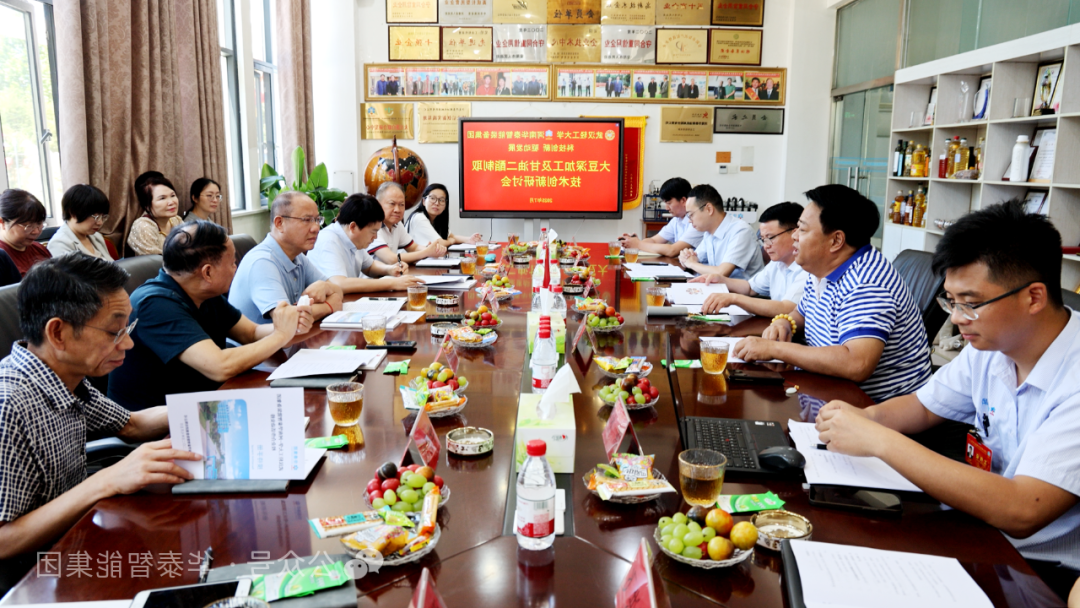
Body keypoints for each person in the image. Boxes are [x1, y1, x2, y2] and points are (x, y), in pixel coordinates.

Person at [814, 201, 1080, 601]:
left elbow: (1023, 510)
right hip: (981, 529)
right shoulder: (991, 345)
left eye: (970, 302)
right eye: (951, 301)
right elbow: (923, 407)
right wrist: (864, 417)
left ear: (1034, 297)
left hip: (1041, 570)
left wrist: (879, 440)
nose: (955, 318)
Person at [0, 255, 200, 592]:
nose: (128, 343)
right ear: (58, 332)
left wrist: (206, 410)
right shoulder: (9, 405)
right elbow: (3, 540)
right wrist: (107, 480)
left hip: (77, 541)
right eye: (114, 331)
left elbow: (132, 424)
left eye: (126, 329)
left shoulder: (65, 377)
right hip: (36, 579)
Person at [732, 184, 931, 402]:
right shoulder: (822, 270)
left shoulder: (866, 283)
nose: (794, 236)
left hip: (872, 407)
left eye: (802, 230)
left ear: (836, 241)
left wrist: (775, 349)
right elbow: (802, 312)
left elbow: (856, 364)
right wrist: (784, 322)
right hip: (828, 390)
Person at [108, 221, 301, 411]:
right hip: (163, 423)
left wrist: (291, 323)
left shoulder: (204, 293)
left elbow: (251, 332)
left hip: (205, 402)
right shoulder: (154, 304)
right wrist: (280, 336)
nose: (235, 269)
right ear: (207, 272)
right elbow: (220, 366)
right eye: (232, 263)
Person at [228, 191, 343, 326]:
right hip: (262, 340)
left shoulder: (297, 256)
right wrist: (328, 306)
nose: (316, 228)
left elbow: (338, 292)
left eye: (317, 220)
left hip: (292, 338)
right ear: (279, 223)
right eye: (307, 220)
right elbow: (286, 319)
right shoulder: (262, 262)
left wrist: (325, 286)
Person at [695, 202, 807, 318]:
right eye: (763, 239)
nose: (766, 245)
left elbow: (787, 308)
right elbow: (750, 287)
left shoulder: (807, 268)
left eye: (770, 237)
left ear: (795, 234)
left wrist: (734, 298)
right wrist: (720, 280)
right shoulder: (777, 263)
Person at [309, 194, 424, 294]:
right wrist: (392, 283)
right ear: (353, 227)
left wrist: (390, 269)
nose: (375, 237)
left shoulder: (354, 239)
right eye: (373, 232)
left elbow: (369, 266)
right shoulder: (328, 240)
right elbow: (339, 284)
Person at [678, 184, 764, 280]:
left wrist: (691, 264)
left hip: (740, 289)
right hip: (719, 287)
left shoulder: (741, 231)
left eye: (691, 215)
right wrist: (686, 256)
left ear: (709, 209)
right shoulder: (708, 233)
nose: (689, 221)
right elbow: (694, 258)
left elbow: (721, 273)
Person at [618, 177, 703, 256]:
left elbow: (672, 250)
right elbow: (654, 240)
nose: (666, 208)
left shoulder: (696, 221)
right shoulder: (676, 220)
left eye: (669, 203)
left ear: (683, 200)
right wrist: (632, 242)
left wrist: (638, 244)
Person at [368, 182, 447, 266]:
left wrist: (434, 250)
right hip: (374, 275)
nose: (397, 210)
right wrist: (426, 252)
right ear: (378, 204)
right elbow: (390, 259)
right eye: (392, 204)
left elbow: (414, 248)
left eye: (401, 204)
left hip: (393, 273)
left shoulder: (397, 224)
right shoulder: (372, 226)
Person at [47, 184, 119, 260]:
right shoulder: (59, 244)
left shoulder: (96, 236)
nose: (100, 222)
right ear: (73, 213)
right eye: (96, 217)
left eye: (103, 217)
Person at [404, 184, 482, 248]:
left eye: (441, 200)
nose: (437, 203)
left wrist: (470, 239)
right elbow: (440, 243)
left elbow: (452, 236)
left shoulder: (436, 219)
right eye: (432, 198)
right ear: (424, 201)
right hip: (408, 261)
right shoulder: (419, 217)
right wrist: (451, 241)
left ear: (445, 205)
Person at [128, 172, 183, 255]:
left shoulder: (176, 220)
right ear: (147, 206)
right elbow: (156, 260)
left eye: (172, 195)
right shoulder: (143, 226)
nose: (171, 202)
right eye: (162, 198)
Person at [0, 189, 51, 277]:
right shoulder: (2, 257)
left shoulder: (39, 249)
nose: (36, 231)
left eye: (39, 224)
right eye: (28, 226)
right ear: (2, 222)